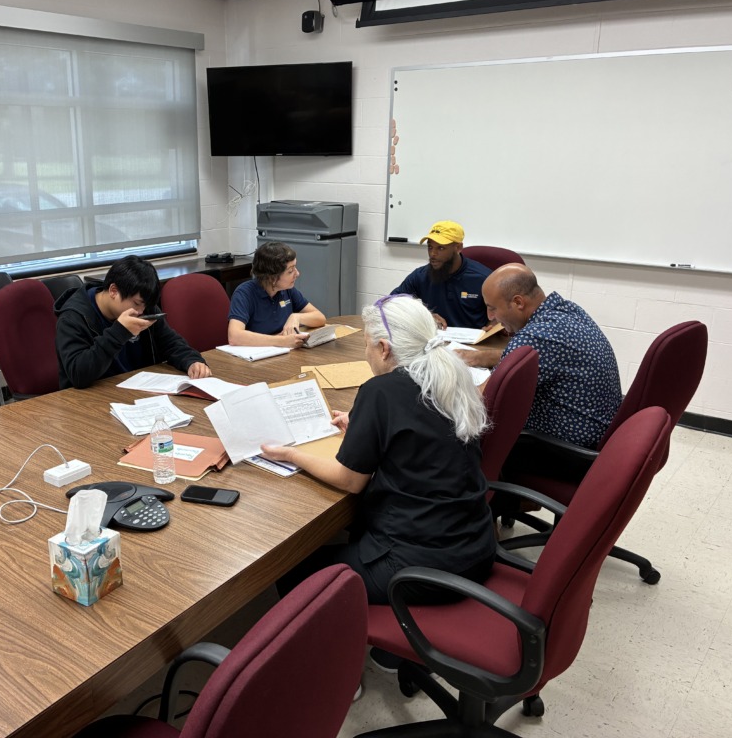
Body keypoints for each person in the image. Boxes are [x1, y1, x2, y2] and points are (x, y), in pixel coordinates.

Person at [260, 294, 496, 606]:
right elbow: (416, 427)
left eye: (368, 344)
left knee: (291, 568)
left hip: (418, 568)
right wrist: (362, 424)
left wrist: (290, 454)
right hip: (476, 546)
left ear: (384, 349)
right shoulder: (452, 376)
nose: (366, 351)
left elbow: (350, 480)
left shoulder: (380, 391)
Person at [458, 263, 622, 450]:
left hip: (562, 450)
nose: (490, 316)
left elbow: (484, 398)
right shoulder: (566, 310)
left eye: (492, 308)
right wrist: (480, 357)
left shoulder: (536, 335)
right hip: (598, 430)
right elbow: (534, 356)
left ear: (518, 302)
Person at [54, 255, 211, 389]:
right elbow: (79, 374)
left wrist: (192, 362)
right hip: (91, 402)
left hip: (139, 390)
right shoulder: (73, 317)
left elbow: (170, 342)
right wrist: (119, 332)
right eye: (136, 304)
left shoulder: (143, 306)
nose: (141, 312)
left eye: (145, 306)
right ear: (113, 291)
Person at [391, 220, 491, 329]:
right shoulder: (421, 276)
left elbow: (505, 314)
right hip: (436, 341)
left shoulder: (483, 278)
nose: (433, 254)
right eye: (430, 247)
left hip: (476, 344)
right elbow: (388, 305)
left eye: (441, 248)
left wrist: (492, 327)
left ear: (458, 248)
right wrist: (425, 317)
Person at [227, 241, 327, 348]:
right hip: (255, 357)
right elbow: (234, 336)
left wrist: (296, 317)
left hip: (282, 352)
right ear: (272, 278)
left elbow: (320, 318)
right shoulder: (244, 293)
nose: (297, 274)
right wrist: (281, 341)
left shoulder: (287, 290)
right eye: (290, 271)